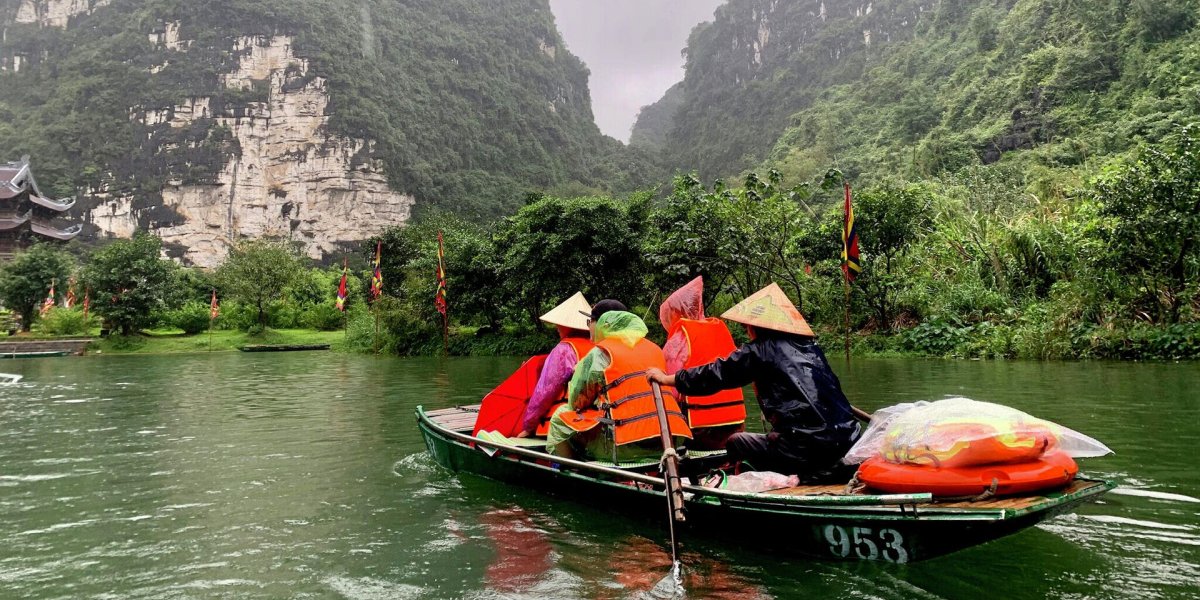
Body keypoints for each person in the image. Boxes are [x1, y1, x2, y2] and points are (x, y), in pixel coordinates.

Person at [647, 283, 861, 480]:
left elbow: (716, 373)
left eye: (748, 327)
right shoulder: (811, 349)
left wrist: (667, 379)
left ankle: (741, 482)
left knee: (736, 442)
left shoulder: (761, 350)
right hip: (849, 443)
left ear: (756, 327)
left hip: (805, 450)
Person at [545, 305, 692, 461]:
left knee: (559, 416)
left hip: (624, 446)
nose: (589, 326)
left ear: (604, 325)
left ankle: (569, 471)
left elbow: (577, 402)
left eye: (591, 321)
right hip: (668, 440)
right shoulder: (655, 349)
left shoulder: (600, 353)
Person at [659, 276, 746, 449]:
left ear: (675, 313)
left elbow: (670, 393)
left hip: (700, 429)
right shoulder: (719, 330)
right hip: (736, 425)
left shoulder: (678, 341)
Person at [514, 292, 594, 438]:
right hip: (592, 422)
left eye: (560, 324)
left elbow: (545, 392)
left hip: (562, 424)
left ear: (568, 326)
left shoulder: (564, 350)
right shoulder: (598, 347)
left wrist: (528, 426)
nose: (557, 327)